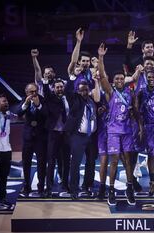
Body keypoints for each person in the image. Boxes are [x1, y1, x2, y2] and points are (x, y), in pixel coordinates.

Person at [97, 43, 137, 206]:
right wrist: (100, 57)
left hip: (127, 132)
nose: (120, 80)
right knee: (114, 161)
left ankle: (129, 188)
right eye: (117, 79)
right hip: (113, 132)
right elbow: (102, 76)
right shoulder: (110, 92)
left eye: (122, 78)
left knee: (128, 161)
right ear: (113, 81)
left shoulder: (130, 93)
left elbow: (133, 112)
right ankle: (111, 190)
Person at [64, 65, 101, 200]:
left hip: (92, 137)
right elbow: (68, 90)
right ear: (78, 91)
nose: (84, 92)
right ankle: (74, 189)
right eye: (81, 90)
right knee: (76, 163)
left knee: (91, 162)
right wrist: (72, 77)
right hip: (78, 137)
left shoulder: (92, 101)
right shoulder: (75, 99)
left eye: (86, 90)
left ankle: (87, 185)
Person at [42, 79, 72, 197]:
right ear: (53, 89)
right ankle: (48, 187)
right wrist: (45, 81)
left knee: (66, 162)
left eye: (61, 87)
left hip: (66, 134)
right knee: (51, 162)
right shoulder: (50, 98)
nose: (60, 89)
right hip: (53, 134)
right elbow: (45, 90)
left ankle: (65, 185)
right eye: (57, 87)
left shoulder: (68, 98)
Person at [17, 83, 47, 197]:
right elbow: (19, 113)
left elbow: (46, 115)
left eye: (35, 91)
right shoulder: (24, 100)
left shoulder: (42, 99)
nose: (34, 94)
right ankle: (27, 186)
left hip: (40, 138)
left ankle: (40, 187)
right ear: (26, 92)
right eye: (31, 92)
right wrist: (26, 103)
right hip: (28, 138)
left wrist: (38, 105)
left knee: (41, 163)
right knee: (26, 163)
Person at [136, 70, 154, 196]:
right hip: (149, 127)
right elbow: (139, 113)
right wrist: (141, 128)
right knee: (151, 155)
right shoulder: (142, 93)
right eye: (149, 77)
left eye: (153, 77)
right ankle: (152, 181)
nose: (151, 79)